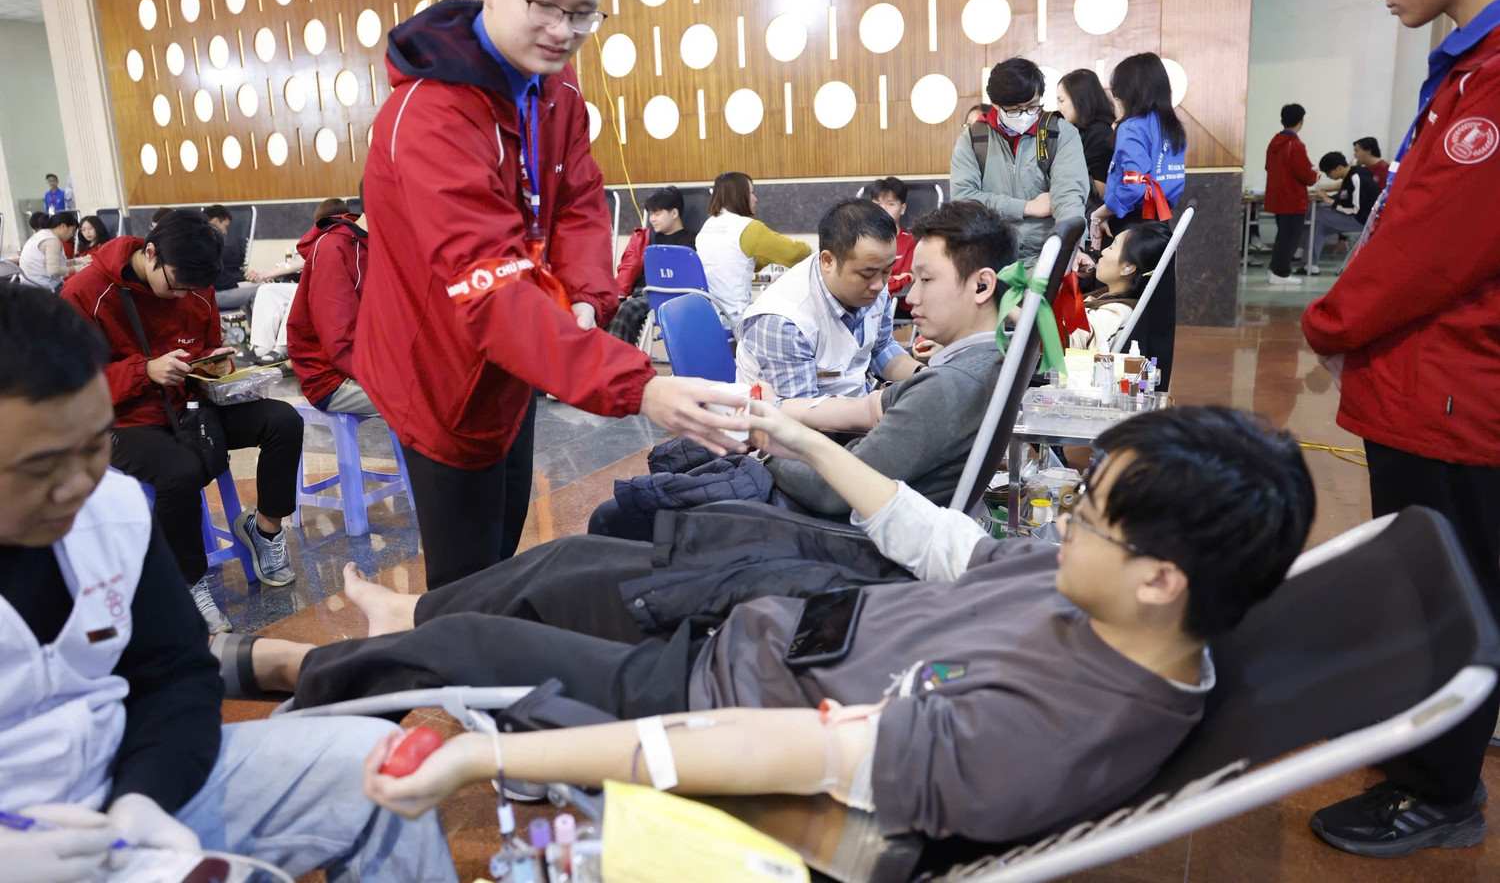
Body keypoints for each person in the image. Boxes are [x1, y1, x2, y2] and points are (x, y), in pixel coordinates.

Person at [230, 404, 1312, 849]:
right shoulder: (1105, 595)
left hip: (718, 690)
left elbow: (768, 747)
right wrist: (794, 430)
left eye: (1085, 514)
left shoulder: (1043, 733)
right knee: (566, 567)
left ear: (1164, 578)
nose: (1061, 527)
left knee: (471, 662)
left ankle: (296, 671)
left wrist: (487, 752)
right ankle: (367, 635)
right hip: (770, 628)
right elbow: (932, 536)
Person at [355, 0, 751, 590]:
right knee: (466, 578)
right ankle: (452, 687)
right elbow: (490, 290)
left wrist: (587, 300)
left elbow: (576, 204)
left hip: (518, 357)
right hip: (438, 370)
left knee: (503, 541)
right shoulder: (431, 118)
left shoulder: (554, 92)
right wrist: (638, 388)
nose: (561, 32)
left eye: (582, 14)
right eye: (543, 5)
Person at [0, 283, 458, 883]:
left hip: (128, 792)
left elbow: (174, 676)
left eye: (93, 447)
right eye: (41, 466)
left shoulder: (112, 510)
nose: (76, 484)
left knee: (373, 775)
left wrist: (145, 797)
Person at [1303, 0, 1500, 859]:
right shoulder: (1465, 69)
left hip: (1456, 396)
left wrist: (1331, 320)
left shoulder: (1495, 79)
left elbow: (1432, 246)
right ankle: (1438, 738)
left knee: (1447, 587)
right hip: (1435, 388)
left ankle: (1440, 789)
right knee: (1437, 578)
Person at [589, 200, 1016, 538]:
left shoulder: (936, 370)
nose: (891, 290)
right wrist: (771, 439)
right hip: (785, 432)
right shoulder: (784, 319)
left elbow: (879, 360)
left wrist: (908, 392)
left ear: (981, 286)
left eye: (899, 275)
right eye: (871, 274)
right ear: (828, 261)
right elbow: (808, 423)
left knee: (618, 518)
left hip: (810, 460)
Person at [60, 212, 304, 633]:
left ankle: (264, 529)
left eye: (194, 289)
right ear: (150, 253)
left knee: (283, 420)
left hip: (190, 407)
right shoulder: (85, 293)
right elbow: (71, 385)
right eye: (176, 286)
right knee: (179, 471)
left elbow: (204, 343)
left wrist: (216, 363)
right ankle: (188, 583)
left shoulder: (194, 284)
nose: (182, 297)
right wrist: (144, 371)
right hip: (122, 420)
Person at [735, 199, 919, 401]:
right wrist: (877, 409)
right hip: (799, 423)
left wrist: (925, 377)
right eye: (867, 273)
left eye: (887, 270)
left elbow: (881, 347)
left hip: (853, 408)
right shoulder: (785, 320)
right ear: (828, 261)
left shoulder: (874, 282)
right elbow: (801, 417)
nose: (879, 285)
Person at [1090, 53, 1187, 386]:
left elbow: (1133, 183)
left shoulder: (1132, 127)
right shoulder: (1171, 125)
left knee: (1130, 315)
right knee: (1159, 312)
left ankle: (1129, 389)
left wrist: (1104, 209)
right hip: (1161, 231)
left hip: (1133, 228)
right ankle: (1157, 387)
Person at [950, 57, 1090, 264]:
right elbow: (963, 199)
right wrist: (1025, 207)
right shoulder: (973, 139)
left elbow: (1069, 195)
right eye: (1014, 110)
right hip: (988, 258)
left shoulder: (1060, 133)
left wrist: (1072, 246)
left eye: (1032, 106)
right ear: (996, 104)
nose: (1025, 115)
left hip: (1045, 256)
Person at [287, 198, 377, 416]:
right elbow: (339, 340)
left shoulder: (372, 244)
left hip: (364, 365)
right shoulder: (334, 248)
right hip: (330, 379)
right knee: (426, 403)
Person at [695, 171, 812, 326]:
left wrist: (765, 259)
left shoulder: (707, 226)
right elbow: (795, 254)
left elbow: (736, 262)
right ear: (739, 195)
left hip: (709, 316)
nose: (755, 199)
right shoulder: (748, 228)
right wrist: (811, 248)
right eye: (751, 193)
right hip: (736, 320)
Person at [606, 186, 698, 344]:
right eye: (651, 214)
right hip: (643, 293)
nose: (652, 219)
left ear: (674, 213)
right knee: (608, 308)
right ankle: (616, 357)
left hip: (670, 295)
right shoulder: (647, 239)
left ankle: (617, 360)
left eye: (657, 213)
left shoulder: (692, 242)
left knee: (628, 309)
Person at [1068, 222, 1173, 352]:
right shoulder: (1106, 296)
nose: (1103, 251)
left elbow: (1069, 339)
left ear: (1128, 268)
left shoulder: (1116, 313)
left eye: (1112, 247)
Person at [1263, 103, 1318, 285]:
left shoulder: (1274, 142)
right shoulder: (1295, 145)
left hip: (1278, 198)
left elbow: (1268, 167)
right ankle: (1281, 273)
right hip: (1293, 199)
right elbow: (1306, 175)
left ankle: (1275, 271)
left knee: (1283, 236)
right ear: (1300, 121)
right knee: (1290, 238)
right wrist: (1315, 175)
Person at [1301, 151, 1378, 273]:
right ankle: (1310, 264)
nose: (1328, 175)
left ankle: (1302, 252)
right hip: (1354, 215)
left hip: (1361, 220)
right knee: (1318, 220)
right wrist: (1327, 199)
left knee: (1318, 215)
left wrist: (1327, 199)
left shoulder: (1356, 177)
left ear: (1339, 168)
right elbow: (1344, 197)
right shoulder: (1350, 175)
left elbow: (1354, 209)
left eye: (1328, 172)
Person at [1056, 68, 1117, 213]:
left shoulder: (1099, 133)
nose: (1059, 107)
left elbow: (1101, 190)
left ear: (1079, 99)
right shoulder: (1077, 131)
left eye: (1061, 100)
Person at [866, 176, 917, 296]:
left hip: (898, 306)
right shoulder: (863, 241)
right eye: (877, 204)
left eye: (890, 204)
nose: (883, 209)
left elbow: (906, 281)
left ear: (902, 208)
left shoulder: (911, 242)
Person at [204, 204, 258, 312]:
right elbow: (220, 281)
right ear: (215, 221)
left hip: (207, 294)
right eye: (225, 226)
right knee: (262, 291)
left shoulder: (198, 239)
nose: (225, 232)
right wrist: (242, 280)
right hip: (213, 296)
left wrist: (242, 279)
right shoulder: (208, 242)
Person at [17, 210, 78, 291]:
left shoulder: (43, 234)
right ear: (63, 226)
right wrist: (76, 269)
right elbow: (54, 270)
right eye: (73, 231)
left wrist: (77, 261)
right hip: (42, 288)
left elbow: (56, 263)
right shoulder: (52, 240)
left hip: (30, 285)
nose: (72, 235)